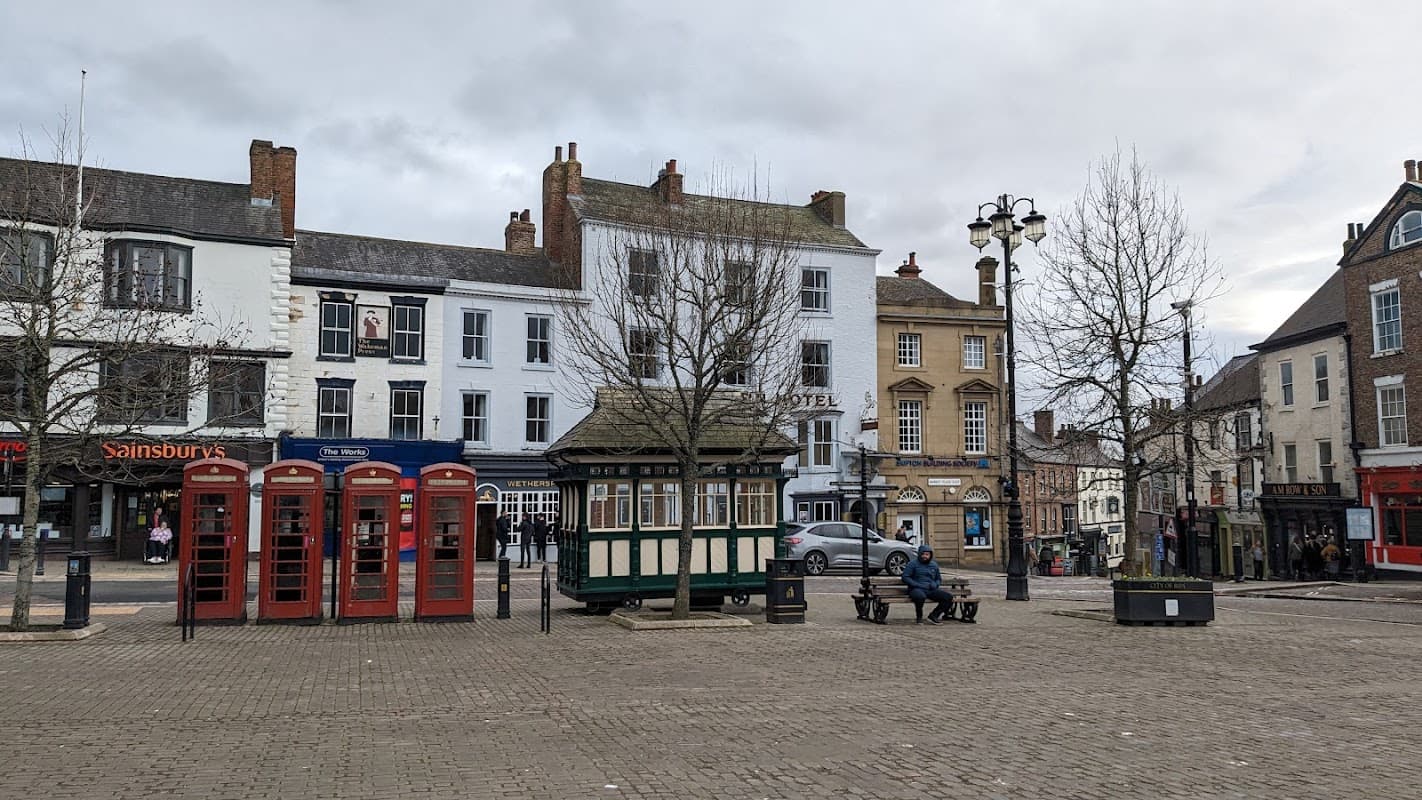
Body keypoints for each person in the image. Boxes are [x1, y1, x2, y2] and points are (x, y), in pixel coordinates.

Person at [900, 545, 955, 624]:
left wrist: (935, 584)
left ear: (930, 555)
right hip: (916, 589)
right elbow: (905, 577)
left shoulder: (934, 565)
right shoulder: (912, 564)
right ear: (919, 554)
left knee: (948, 597)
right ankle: (919, 617)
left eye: (927, 554)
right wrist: (916, 584)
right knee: (920, 596)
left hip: (930, 589)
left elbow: (938, 579)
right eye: (923, 554)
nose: (925, 556)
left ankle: (934, 616)